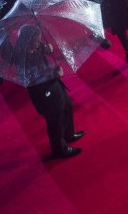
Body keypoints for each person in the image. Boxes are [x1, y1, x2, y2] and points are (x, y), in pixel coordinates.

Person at [15, 25, 84, 159]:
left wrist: (46, 49)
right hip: (43, 92)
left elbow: (40, 49)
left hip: (53, 85)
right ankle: (60, 149)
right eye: (35, 42)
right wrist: (54, 74)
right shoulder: (22, 58)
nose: (38, 43)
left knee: (67, 106)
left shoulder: (36, 46)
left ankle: (68, 134)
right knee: (54, 120)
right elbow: (31, 78)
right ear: (27, 41)